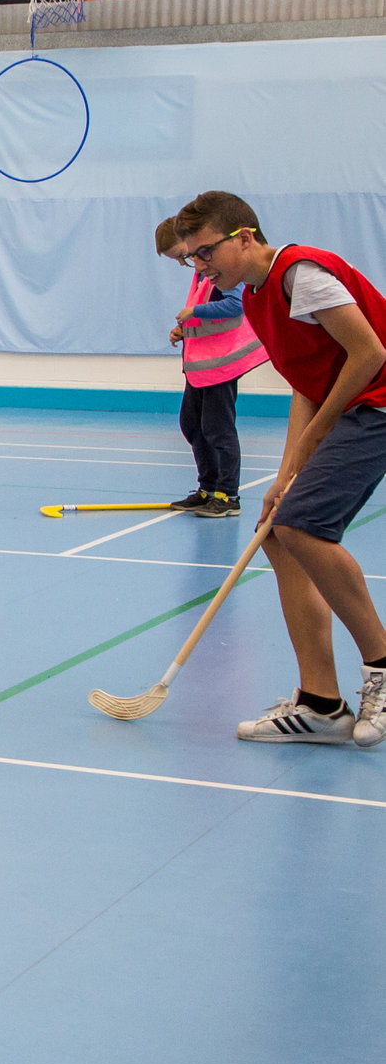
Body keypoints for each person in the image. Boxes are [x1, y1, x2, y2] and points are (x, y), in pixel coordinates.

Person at [170, 191, 386, 747]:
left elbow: (369, 354)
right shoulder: (256, 295)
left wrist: (312, 445)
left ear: (244, 237)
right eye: (191, 258)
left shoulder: (300, 274)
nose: (200, 266)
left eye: (205, 252)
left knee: (303, 524)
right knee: (279, 533)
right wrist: (286, 470)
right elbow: (307, 381)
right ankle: (320, 704)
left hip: (379, 402)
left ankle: (383, 666)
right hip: (356, 406)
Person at [157, 214, 263, 518]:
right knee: (192, 426)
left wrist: (195, 310)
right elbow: (206, 318)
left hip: (220, 367)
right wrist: (184, 328)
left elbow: (236, 305)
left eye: (181, 255)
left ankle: (227, 494)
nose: (183, 262)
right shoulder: (199, 275)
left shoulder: (217, 271)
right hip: (199, 366)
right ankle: (207, 488)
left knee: (218, 430)